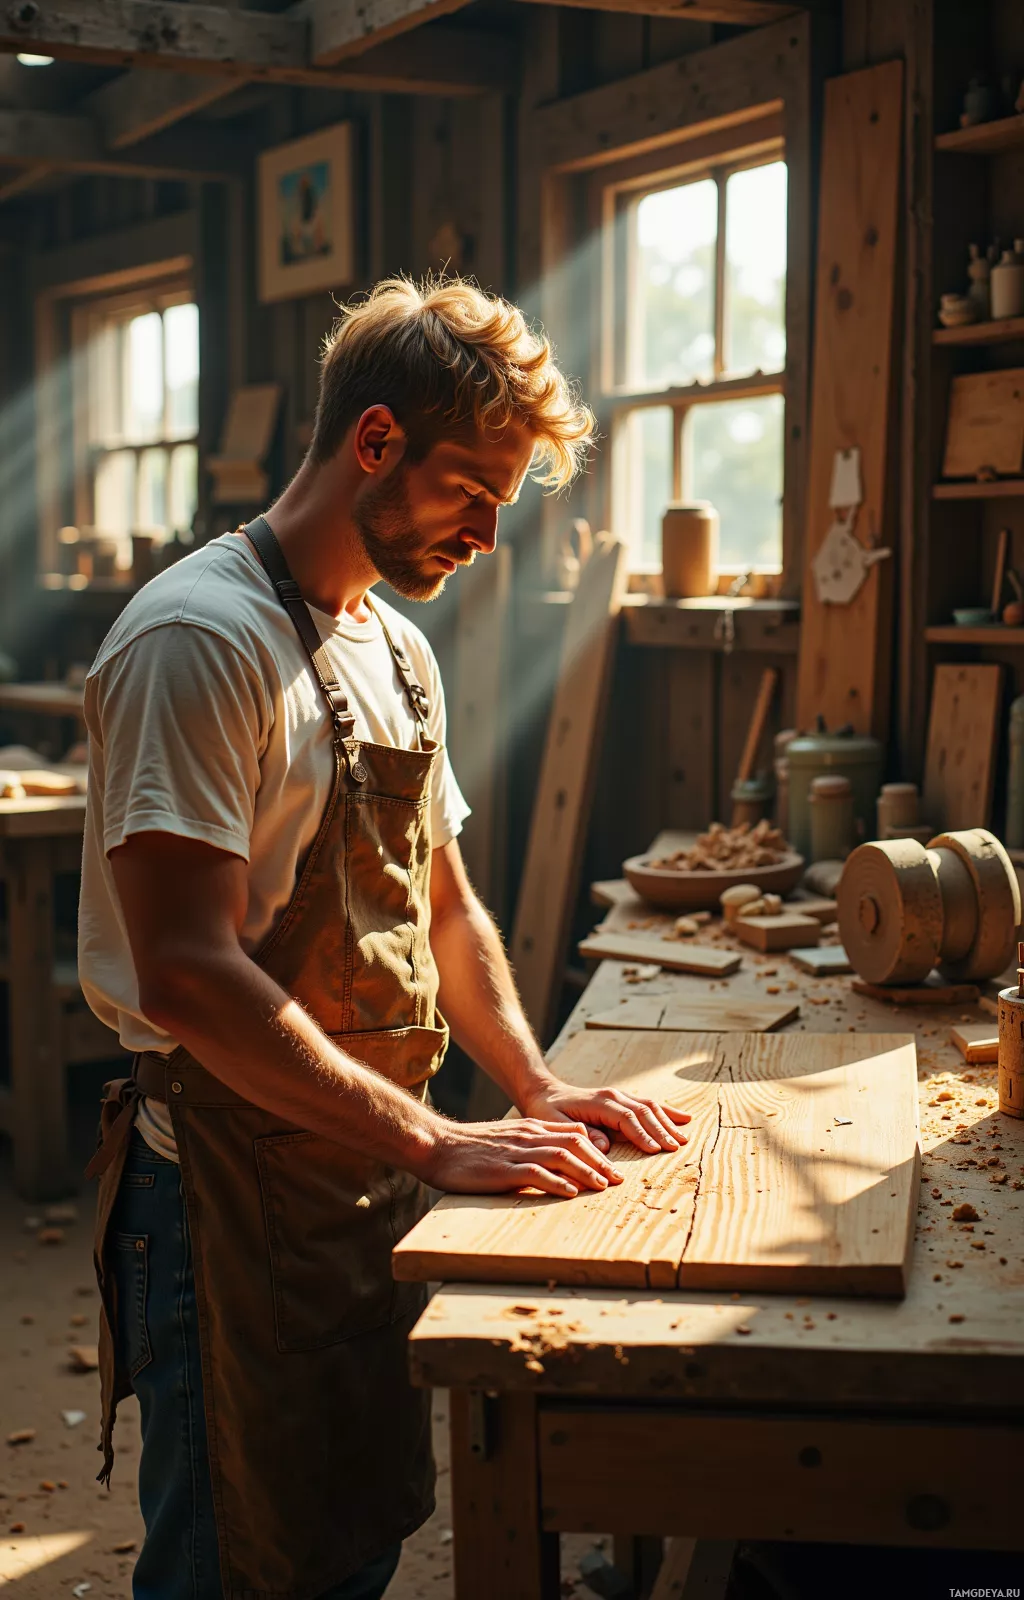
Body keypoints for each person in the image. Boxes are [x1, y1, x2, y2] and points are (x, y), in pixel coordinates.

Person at [81, 275, 691, 1600]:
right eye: (471, 492)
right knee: (235, 1556)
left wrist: (534, 1086)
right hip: (221, 1189)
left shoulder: (395, 652)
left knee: (345, 1527)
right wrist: (433, 1137)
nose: (487, 534)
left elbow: (443, 900)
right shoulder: (200, 640)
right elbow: (185, 973)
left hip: (350, 1165)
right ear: (374, 442)